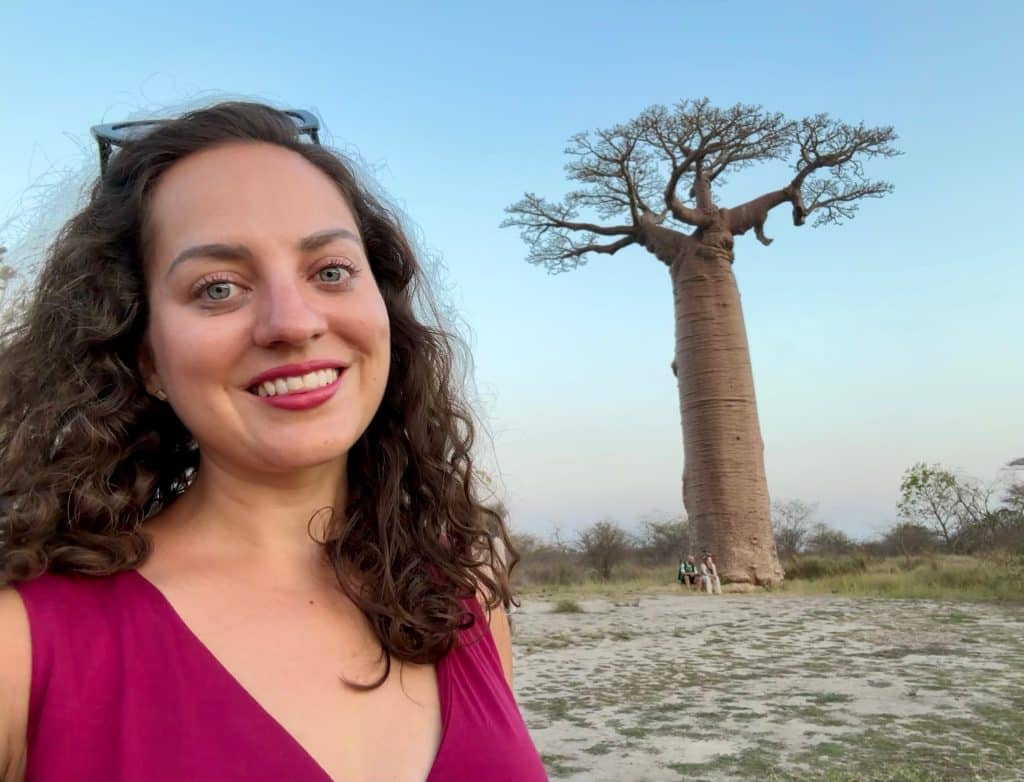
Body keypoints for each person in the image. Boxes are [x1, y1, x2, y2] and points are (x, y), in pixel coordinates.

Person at [0, 102, 548, 782]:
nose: (293, 323)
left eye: (330, 272)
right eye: (219, 288)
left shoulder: (464, 601)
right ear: (144, 358)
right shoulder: (22, 648)